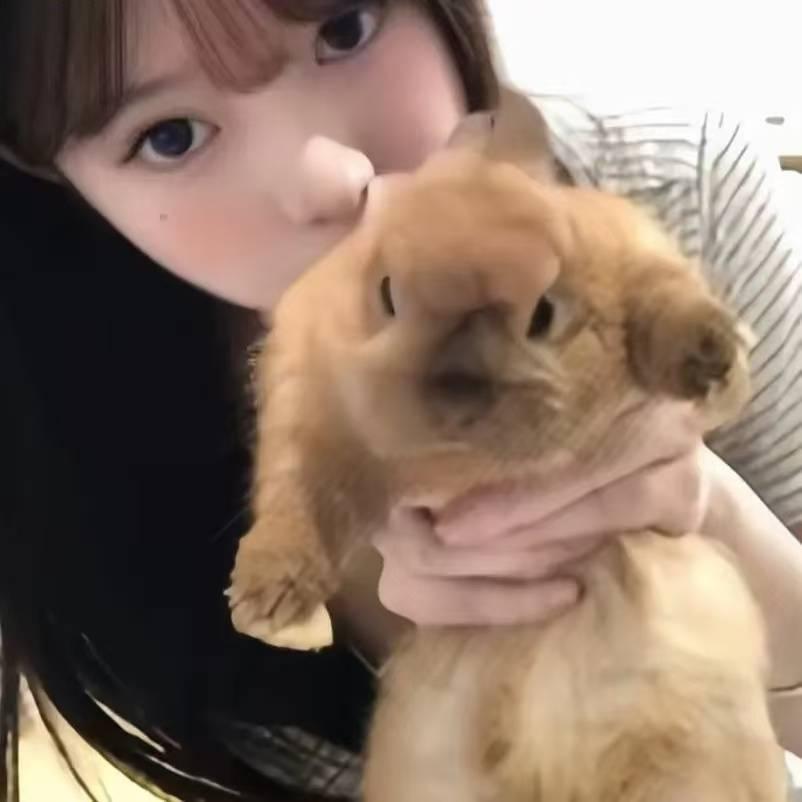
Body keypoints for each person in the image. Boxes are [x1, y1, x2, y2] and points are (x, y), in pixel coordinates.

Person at [1, 1, 801, 799]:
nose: (333, 177)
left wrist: (720, 521)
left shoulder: (681, 190)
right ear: (39, 160)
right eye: (170, 135)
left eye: (344, 28)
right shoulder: (78, 460)